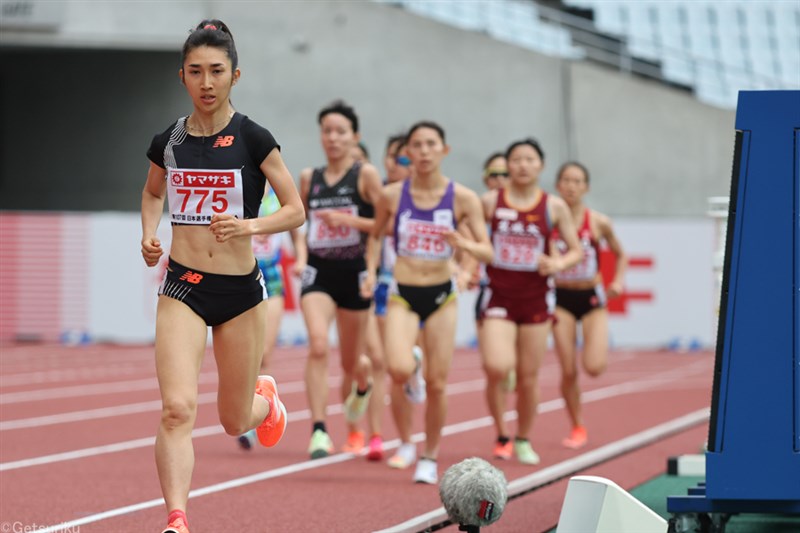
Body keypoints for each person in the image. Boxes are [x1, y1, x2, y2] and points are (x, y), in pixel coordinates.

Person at [140, 20, 305, 533]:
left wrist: (249, 224)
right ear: (182, 77)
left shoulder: (255, 138)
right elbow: (152, 194)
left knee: (234, 420)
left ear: (236, 75)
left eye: (217, 71)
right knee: (176, 409)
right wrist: (150, 234)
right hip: (182, 288)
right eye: (196, 72)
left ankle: (267, 400)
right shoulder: (168, 139)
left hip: (239, 293)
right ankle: (177, 519)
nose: (206, 82)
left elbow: (295, 210)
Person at [362, 121, 493, 484]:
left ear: (443, 150)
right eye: (415, 146)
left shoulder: (463, 198)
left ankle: (430, 456)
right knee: (399, 369)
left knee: (438, 384)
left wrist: (464, 246)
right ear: (408, 153)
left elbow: (487, 249)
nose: (422, 151)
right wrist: (371, 272)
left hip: (441, 296)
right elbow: (374, 238)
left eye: (430, 144)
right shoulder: (392, 195)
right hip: (404, 292)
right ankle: (412, 368)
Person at [478, 138, 582, 465]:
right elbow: (471, 236)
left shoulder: (553, 207)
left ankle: (522, 437)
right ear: (507, 165)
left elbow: (576, 249)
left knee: (528, 377)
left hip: (536, 299)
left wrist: (559, 264)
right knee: (497, 366)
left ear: (541, 166)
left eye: (530, 159)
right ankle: (501, 433)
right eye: (517, 159)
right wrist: (466, 266)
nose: (523, 165)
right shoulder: (490, 202)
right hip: (498, 295)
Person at [292, 100, 384, 460]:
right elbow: (296, 220)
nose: (333, 138)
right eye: (327, 131)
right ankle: (319, 430)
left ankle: (362, 385)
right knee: (317, 344)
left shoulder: (365, 176)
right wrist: (300, 257)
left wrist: (349, 224)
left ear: (354, 136)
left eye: (340, 132)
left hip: (355, 274)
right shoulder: (308, 178)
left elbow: (383, 224)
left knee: (351, 363)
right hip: (319, 272)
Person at [551, 161, 627, 449]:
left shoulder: (598, 221)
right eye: (566, 180)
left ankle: (578, 419)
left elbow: (621, 254)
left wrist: (617, 282)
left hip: (591, 297)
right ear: (558, 185)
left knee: (594, 367)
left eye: (577, 181)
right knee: (568, 369)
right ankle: (577, 425)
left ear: (586, 187)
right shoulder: (550, 218)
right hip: (560, 298)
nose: (571, 186)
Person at [236, 185, 290, 450]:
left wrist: (301, 259)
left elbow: (297, 231)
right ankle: (250, 413)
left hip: (271, 276)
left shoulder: (279, 194)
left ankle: (260, 410)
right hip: (240, 275)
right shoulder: (237, 188)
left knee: (265, 353)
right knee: (244, 354)